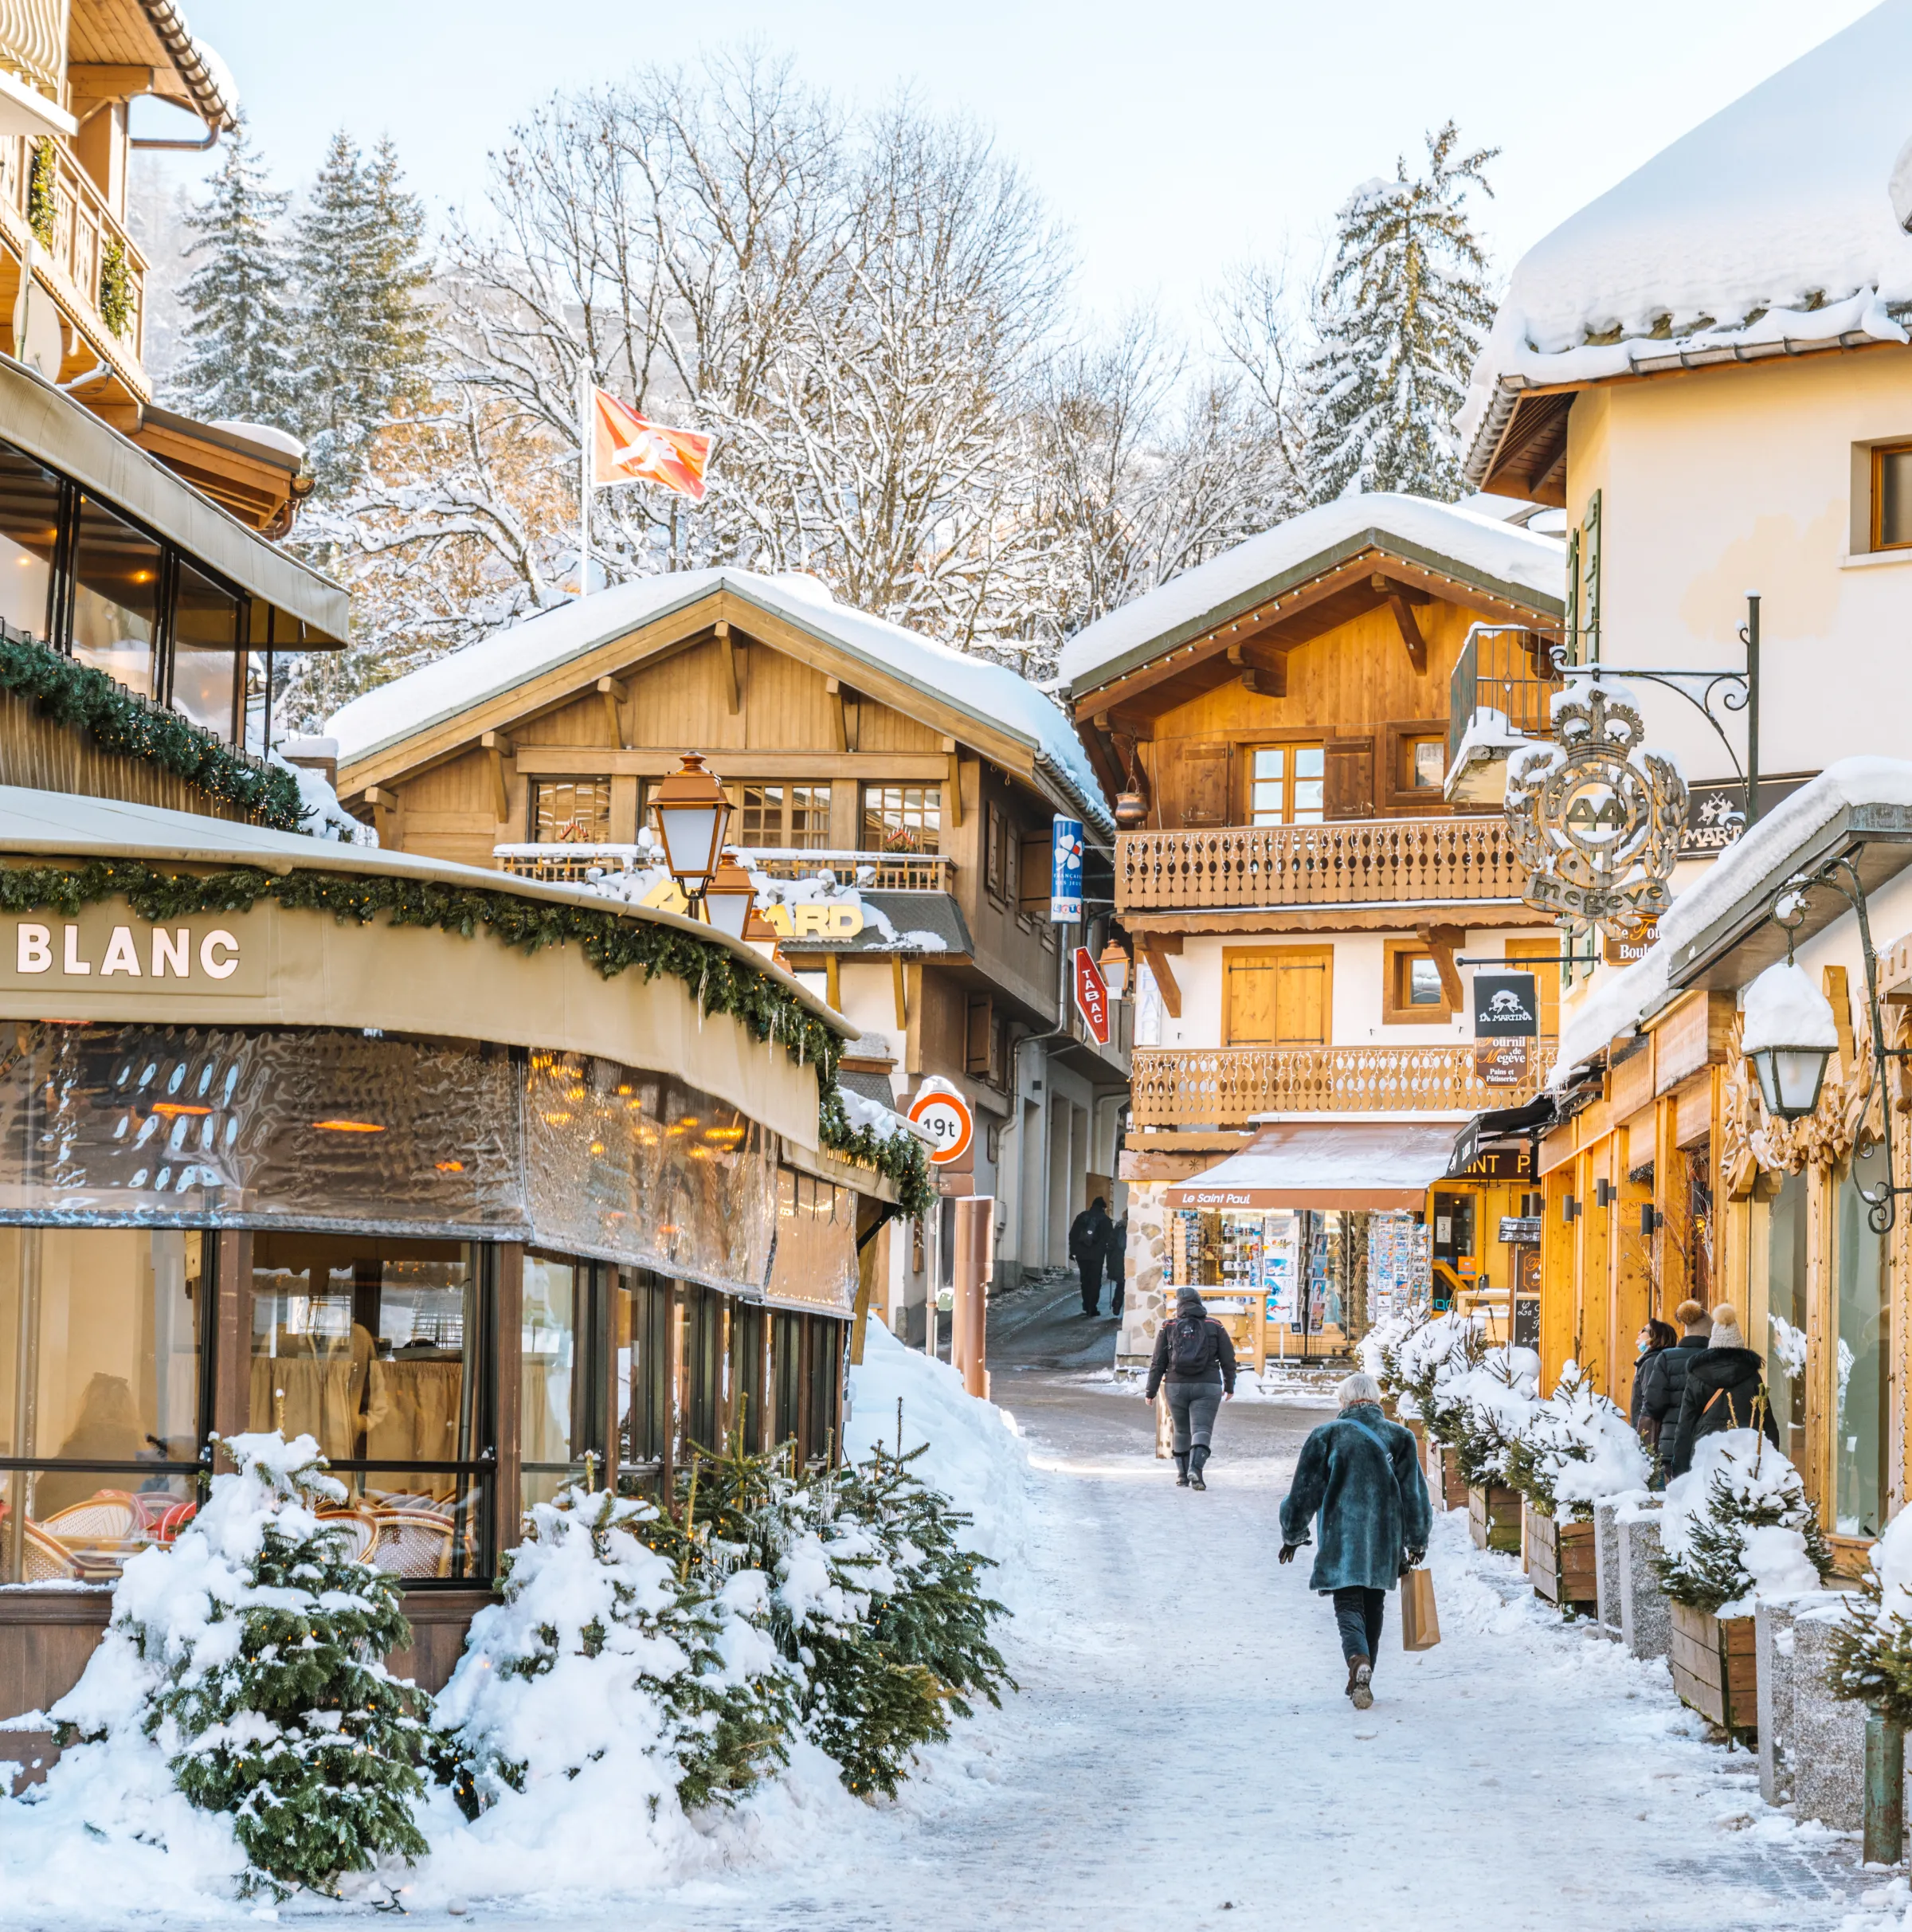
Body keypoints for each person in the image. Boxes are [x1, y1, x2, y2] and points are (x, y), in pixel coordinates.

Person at [1279, 1371, 1432, 1711]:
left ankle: (1357, 1660)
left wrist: (1292, 1533)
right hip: (1383, 1542)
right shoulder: (1401, 1437)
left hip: (1340, 1540)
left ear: (1343, 1402)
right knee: (1373, 1605)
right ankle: (1364, 1676)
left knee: (1348, 1606)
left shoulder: (1327, 1436)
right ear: (1377, 1400)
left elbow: (1304, 1492)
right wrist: (1417, 1540)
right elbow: (1416, 1496)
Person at [1669, 1301, 1781, 1477]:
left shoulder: (1697, 1375)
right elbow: (1766, 1422)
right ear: (1739, 1342)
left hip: (1704, 1454)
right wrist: (1772, 1461)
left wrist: (1681, 1470)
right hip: (1744, 1457)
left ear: (1713, 1342)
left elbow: (1685, 1424)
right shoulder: (1752, 1376)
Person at [1144, 1287, 1236, 1488]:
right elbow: (1228, 1359)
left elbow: (1158, 1362)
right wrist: (1230, 1384)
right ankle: (1196, 1468)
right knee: (1202, 1429)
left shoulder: (1168, 1326)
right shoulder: (1215, 1325)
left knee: (1182, 1430)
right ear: (1199, 1302)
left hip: (1176, 1386)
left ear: (1179, 1305)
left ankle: (1182, 1475)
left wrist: (1150, 1391)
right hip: (1208, 1385)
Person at [1639, 1299, 1712, 1454]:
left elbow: (1654, 1404)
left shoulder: (1666, 1358)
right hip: (1707, 1448)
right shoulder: (1715, 1360)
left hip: (1671, 1445)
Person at [1629, 1318, 1678, 1436]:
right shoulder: (1654, 1360)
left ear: (1654, 1337)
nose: (1639, 1333)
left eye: (1643, 1330)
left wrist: (1641, 1432)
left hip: (1648, 1433)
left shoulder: (1652, 1362)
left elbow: (1651, 1403)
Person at [1069, 1195, 1112, 1316]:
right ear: (1103, 1208)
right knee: (1095, 1281)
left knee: (1085, 1280)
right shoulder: (1105, 1220)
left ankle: (1086, 1303)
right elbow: (1109, 1239)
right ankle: (1092, 1307)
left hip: (1082, 1255)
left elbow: (1073, 1235)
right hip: (1097, 1256)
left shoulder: (1082, 1217)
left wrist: (1072, 1251)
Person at [1105, 1213, 1129, 1320]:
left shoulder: (1118, 1228)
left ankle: (1117, 1305)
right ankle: (1128, 1311)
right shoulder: (1135, 1228)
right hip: (1130, 1260)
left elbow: (1110, 1247)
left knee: (1121, 1285)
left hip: (1119, 1261)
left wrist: (1110, 1265)